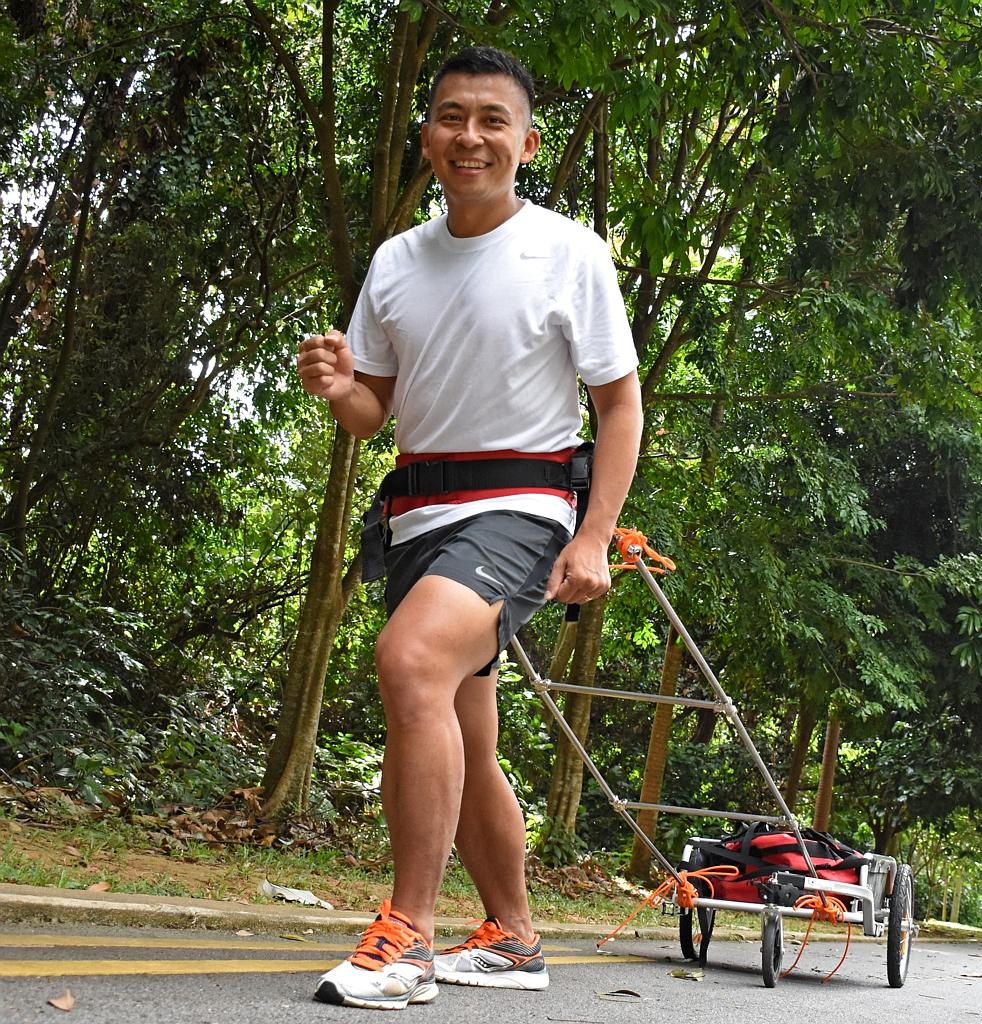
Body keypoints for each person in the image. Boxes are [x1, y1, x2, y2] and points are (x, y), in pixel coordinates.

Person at [294, 45, 642, 1010]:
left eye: (493, 119)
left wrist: (592, 536)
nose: (471, 135)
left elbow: (620, 407)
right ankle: (516, 937)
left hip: (522, 508)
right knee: (463, 729)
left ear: (526, 142)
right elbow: (375, 411)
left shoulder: (569, 251)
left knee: (408, 661)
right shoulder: (396, 261)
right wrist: (338, 391)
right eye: (453, 117)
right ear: (428, 137)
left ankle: (408, 935)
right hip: (415, 517)